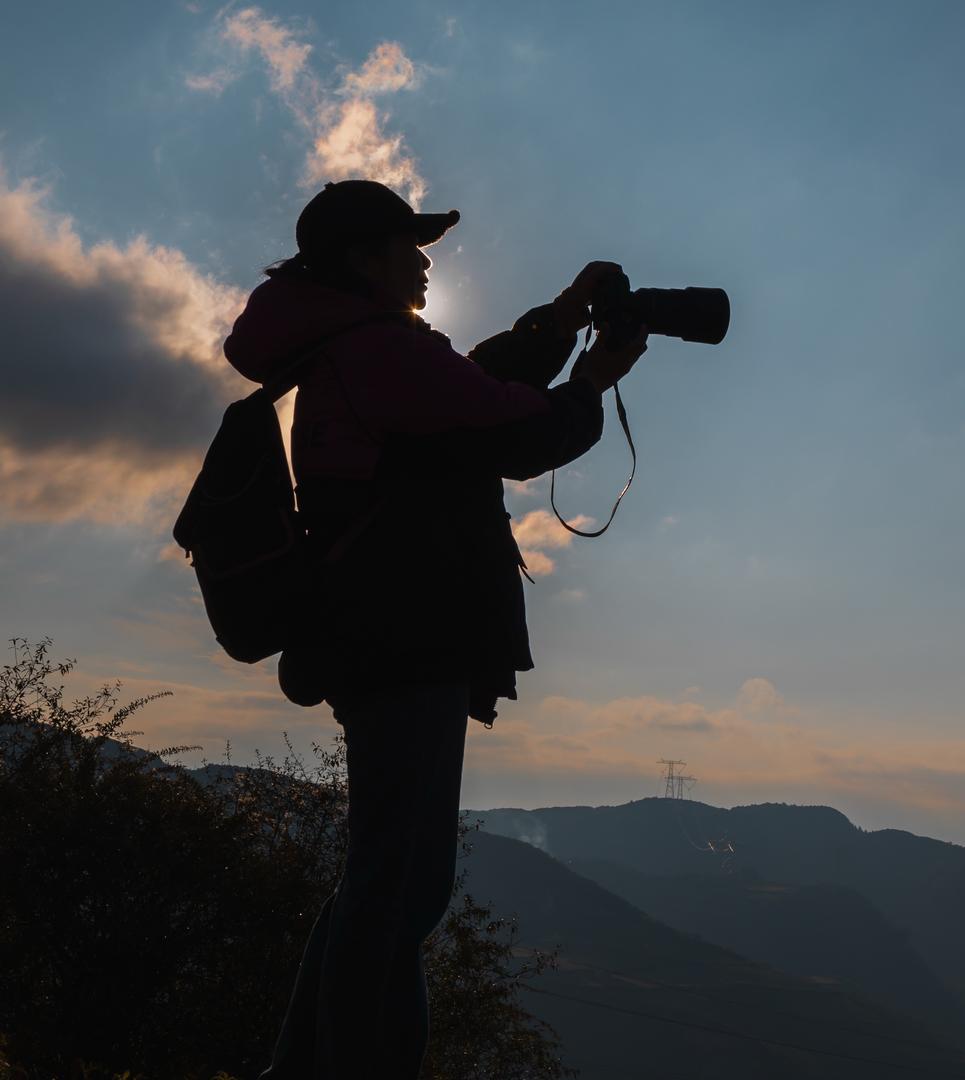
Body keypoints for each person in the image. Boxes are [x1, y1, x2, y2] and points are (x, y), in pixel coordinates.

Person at [223, 179, 647, 1079]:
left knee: (383, 880)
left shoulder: (361, 348)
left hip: (384, 630)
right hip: (406, 631)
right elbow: (510, 425)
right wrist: (588, 385)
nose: (423, 261)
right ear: (359, 259)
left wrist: (562, 317)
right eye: (406, 245)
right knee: (400, 888)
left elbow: (472, 383)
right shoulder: (377, 351)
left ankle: (303, 1068)